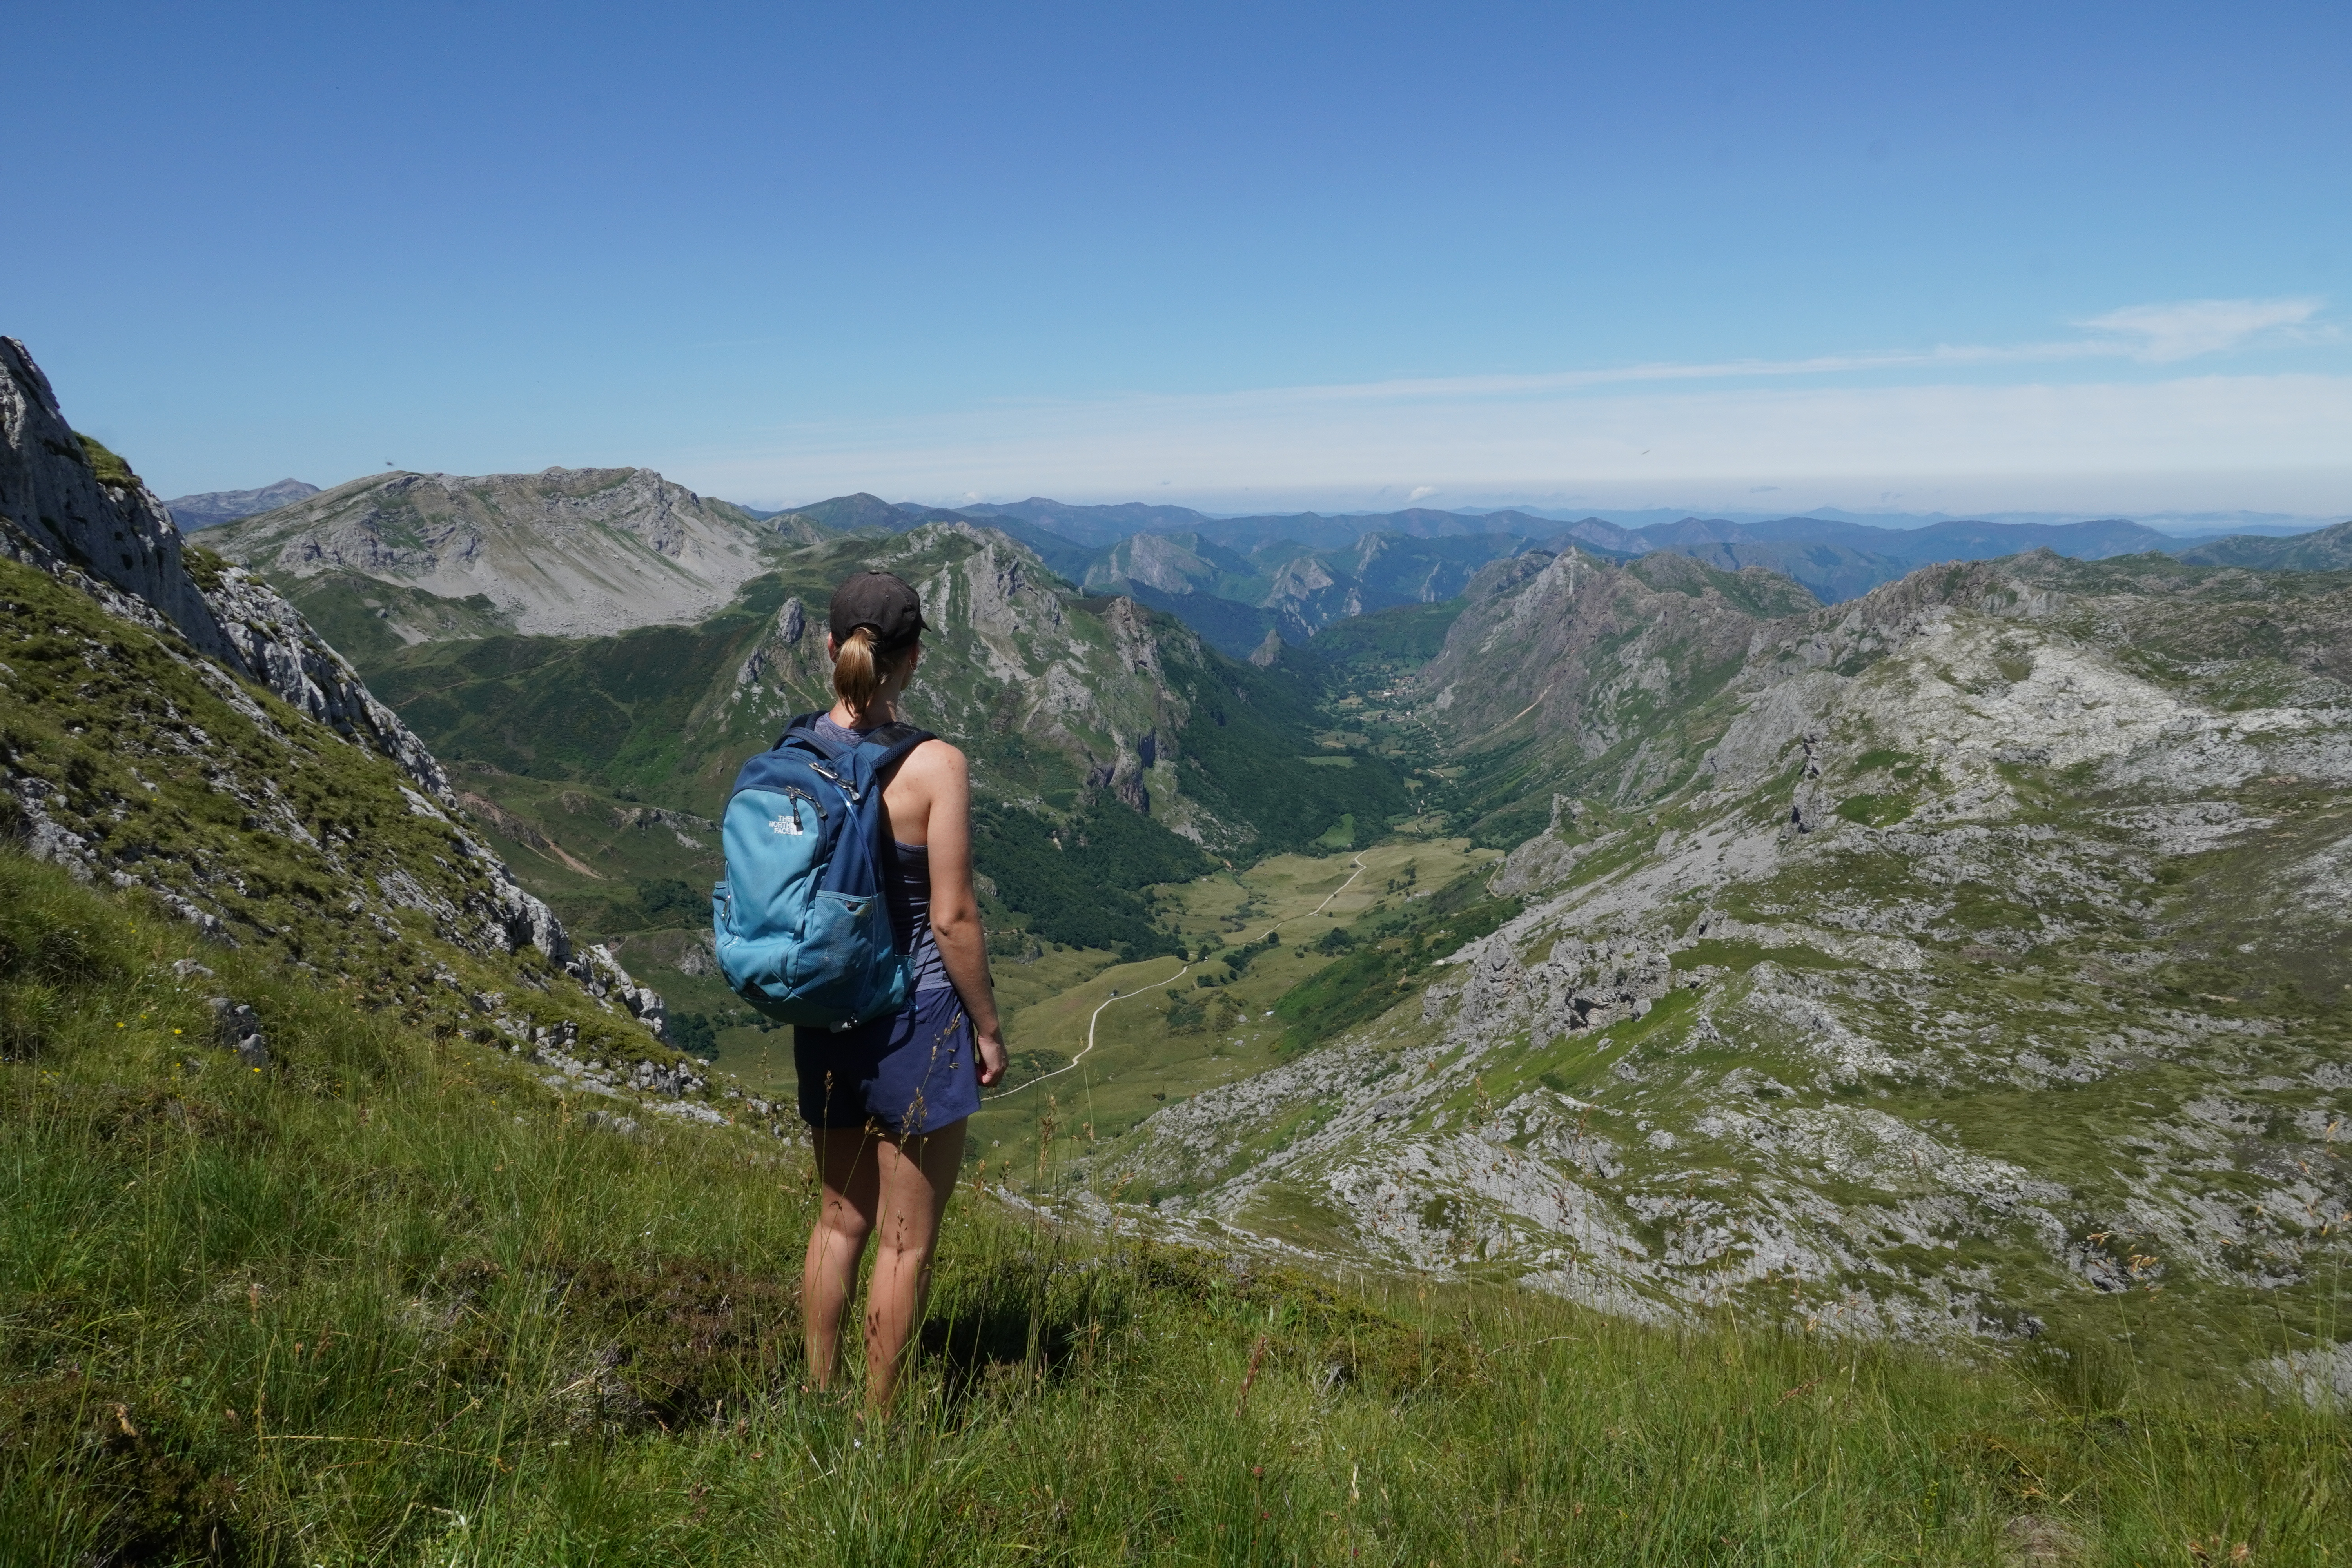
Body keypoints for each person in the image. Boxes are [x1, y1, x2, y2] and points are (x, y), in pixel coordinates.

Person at [797, 570, 1007, 1408]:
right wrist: (988, 1029)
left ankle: (817, 1398)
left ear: (830, 647)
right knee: (904, 1245)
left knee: (838, 1221)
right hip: (915, 1024)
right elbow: (952, 917)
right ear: (913, 658)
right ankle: (875, 1433)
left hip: (825, 1014)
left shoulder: (794, 755)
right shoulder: (934, 766)